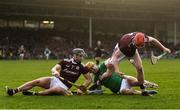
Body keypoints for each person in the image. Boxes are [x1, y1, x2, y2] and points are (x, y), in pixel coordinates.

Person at [96, 32, 170, 93]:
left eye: (140, 46)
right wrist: (117, 70)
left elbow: (153, 40)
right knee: (110, 71)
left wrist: (164, 48)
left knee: (140, 68)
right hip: (120, 51)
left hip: (132, 51)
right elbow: (115, 57)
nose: (139, 47)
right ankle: (99, 82)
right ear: (134, 40)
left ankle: (143, 90)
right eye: (138, 45)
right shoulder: (124, 44)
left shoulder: (143, 38)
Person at [6, 48, 92, 96]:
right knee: (36, 81)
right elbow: (54, 68)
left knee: (55, 89)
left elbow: (89, 79)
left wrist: (81, 88)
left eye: (83, 56)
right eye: (81, 56)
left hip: (64, 87)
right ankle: (14, 91)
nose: (82, 58)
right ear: (75, 56)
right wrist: (56, 72)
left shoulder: (82, 67)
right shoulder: (65, 61)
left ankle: (35, 94)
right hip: (55, 80)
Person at [85, 62, 158, 96]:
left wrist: (115, 71)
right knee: (124, 91)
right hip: (119, 89)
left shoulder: (102, 65)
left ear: (95, 64)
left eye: (93, 66)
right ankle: (144, 92)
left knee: (133, 80)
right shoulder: (96, 78)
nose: (93, 69)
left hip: (123, 79)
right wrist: (98, 84)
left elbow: (112, 62)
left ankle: (148, 84)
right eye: (90, 69)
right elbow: (100, 91)